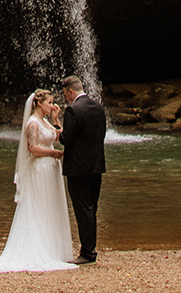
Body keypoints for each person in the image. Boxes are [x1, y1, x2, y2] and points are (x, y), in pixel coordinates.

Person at [0, 88, 77, 273]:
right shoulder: (32, 123)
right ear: (39, 103)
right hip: (40, 168)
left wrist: (56, 119)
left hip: (50, 169)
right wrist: (53, 153)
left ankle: (52, 248)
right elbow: (32, 148)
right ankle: (39, 248)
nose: (52, 105)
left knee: (51, 206)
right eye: (49, 103)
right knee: (40, 206)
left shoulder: (45, 121)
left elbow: (58, 136)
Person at [60, 73, 107, 265]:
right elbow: (100, 135)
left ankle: (87, 253)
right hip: (96, 166)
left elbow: (66, 139)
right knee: (91, 208)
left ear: (70, 91)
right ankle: (90, 248)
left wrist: (57, 124)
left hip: (78, 169)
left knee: (82, 210)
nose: (66, 98)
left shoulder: (72, 110)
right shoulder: (98, 107)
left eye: (65, 94)